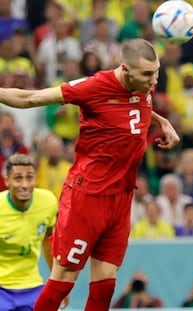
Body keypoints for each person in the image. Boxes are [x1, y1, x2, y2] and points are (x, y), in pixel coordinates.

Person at [0, 38, 180, 311]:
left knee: (105, 285)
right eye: (147, 74)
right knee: (63, 281)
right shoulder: (94, 86)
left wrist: (161, 120)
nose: (154, 80)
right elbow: (30, 98)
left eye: (156, 71)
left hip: (121, 196)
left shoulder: (144, 83)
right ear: (125, 69)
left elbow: (134, 104)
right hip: (88, 195)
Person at [0, 153, 59, 310]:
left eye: (29, 177)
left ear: (36, 179)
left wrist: (58, 284)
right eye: (18, 178)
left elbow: (48, 239)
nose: (25, 185)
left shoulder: (48, 202)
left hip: (32, 286)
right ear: (7, 181)